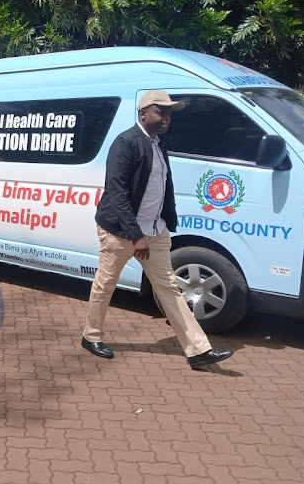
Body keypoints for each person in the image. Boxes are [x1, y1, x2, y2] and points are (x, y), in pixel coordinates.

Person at [82, 90, 233, 370]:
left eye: (169, 113)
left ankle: (198, 351)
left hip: (155, 232)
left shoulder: (158, 144)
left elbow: (163, 188)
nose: (166, 117)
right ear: (142, 114)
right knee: (105, 284)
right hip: (120, 231)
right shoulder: (125, 143)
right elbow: (117, 193)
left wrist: (164, 224)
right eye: (160, 111)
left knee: (170, 289)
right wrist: (136, 235)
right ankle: (91, 336)